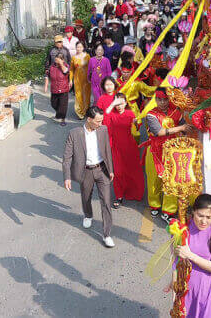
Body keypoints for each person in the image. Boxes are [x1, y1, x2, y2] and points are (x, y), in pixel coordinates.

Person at [166, 194, 211, 318]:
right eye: (200, 215)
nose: (204, 221)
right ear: (193, 211)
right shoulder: (182, 230)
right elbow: (175, 261)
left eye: (209, 217)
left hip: (206, 289)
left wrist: (190, 255)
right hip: (185, 287)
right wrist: (174, 284)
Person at [62, 106, 116, 248]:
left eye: (102, 121)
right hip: (86, 171)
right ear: (89, 119)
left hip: (102, 170)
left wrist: (110, 169)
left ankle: (107, 234)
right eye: (98, 121)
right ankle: (88, 215)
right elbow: (67, 157)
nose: (101, 124)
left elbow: (107, 150)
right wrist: (67, 177)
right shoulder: (74, 134)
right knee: (86, 197)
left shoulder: (103, 130)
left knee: (106, 202)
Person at [144, 88, 192, 223]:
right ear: (155, 100)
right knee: (154, 181)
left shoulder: (176, 112)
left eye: (165, 99)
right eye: (159, 99)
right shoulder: (151, 115)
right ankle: (154, 204)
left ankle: (168, 210)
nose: (163, 102)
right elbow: (158, 132)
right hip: (155, 151)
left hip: (172, 152)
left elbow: (185, 128)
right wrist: (180, 128)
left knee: (172, 181)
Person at [103, 94, 144, 206]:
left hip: (130, 147)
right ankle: (119, 196)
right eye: (117, 104)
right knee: (118, 172)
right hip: (116, 147)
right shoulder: (111, 114)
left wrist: (136, 122)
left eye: (121, 103)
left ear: (126, 103)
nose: (119, 106)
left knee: (132, 171)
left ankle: (134, 191)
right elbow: (104, 117)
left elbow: (138, 125)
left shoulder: (130, 113)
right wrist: (112, 104)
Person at [44, 53, 71, 125]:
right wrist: (46, 86)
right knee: (53, 104)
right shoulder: (51, 67)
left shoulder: (66, 66)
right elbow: (46, 75)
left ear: (62, 60)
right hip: (54, 89)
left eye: (59, 58)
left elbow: (66, 71)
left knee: (63, 106)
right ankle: (58, 114)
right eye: (56, 58)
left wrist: (61, 64)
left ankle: (63, 119)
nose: (57, 59)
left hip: (64, 89)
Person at [70, 40, 91, 120]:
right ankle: (80, 112)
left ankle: (86, 110)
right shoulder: (74, 58)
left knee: (86, 95)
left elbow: (91, 67)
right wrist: (70, 80)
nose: (79, 48)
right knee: (78, 95)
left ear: (83, 47)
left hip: (86, 79)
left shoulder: (87, 56)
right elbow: (71, 69)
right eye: (77, 47)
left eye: (80, 47)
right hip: (77, 79)